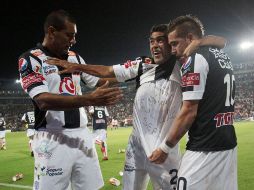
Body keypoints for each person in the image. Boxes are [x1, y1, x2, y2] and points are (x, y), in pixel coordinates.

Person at [46, 23, 226, 189]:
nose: (154, 45)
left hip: (163, 150)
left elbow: (221, 41)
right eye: (151, 41)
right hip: (136, 147)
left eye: (160, 40)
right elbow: (108, 70)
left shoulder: (181, 63)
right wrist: (76, 67)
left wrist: (199, 42)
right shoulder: (142, 65)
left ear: (171, 44)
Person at [18, 10, 122, 190]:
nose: (73, 40)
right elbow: (42, 100)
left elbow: (98, 81)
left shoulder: (75, 58)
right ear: (51, 31)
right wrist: (88, 99)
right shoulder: (30, 59)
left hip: (82, 135)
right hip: (52, 138)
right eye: (69, 35)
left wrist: (134, 72)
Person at [149, 15, 237, 190]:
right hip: (227, 146)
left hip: (203, 147)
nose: (172, 49)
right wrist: (201, 42)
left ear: (190, 38)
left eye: (175, 43)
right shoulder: (221, 55)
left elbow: (189, 111)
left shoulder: (195, 59)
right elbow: (222, 41)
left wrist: (165, 148)